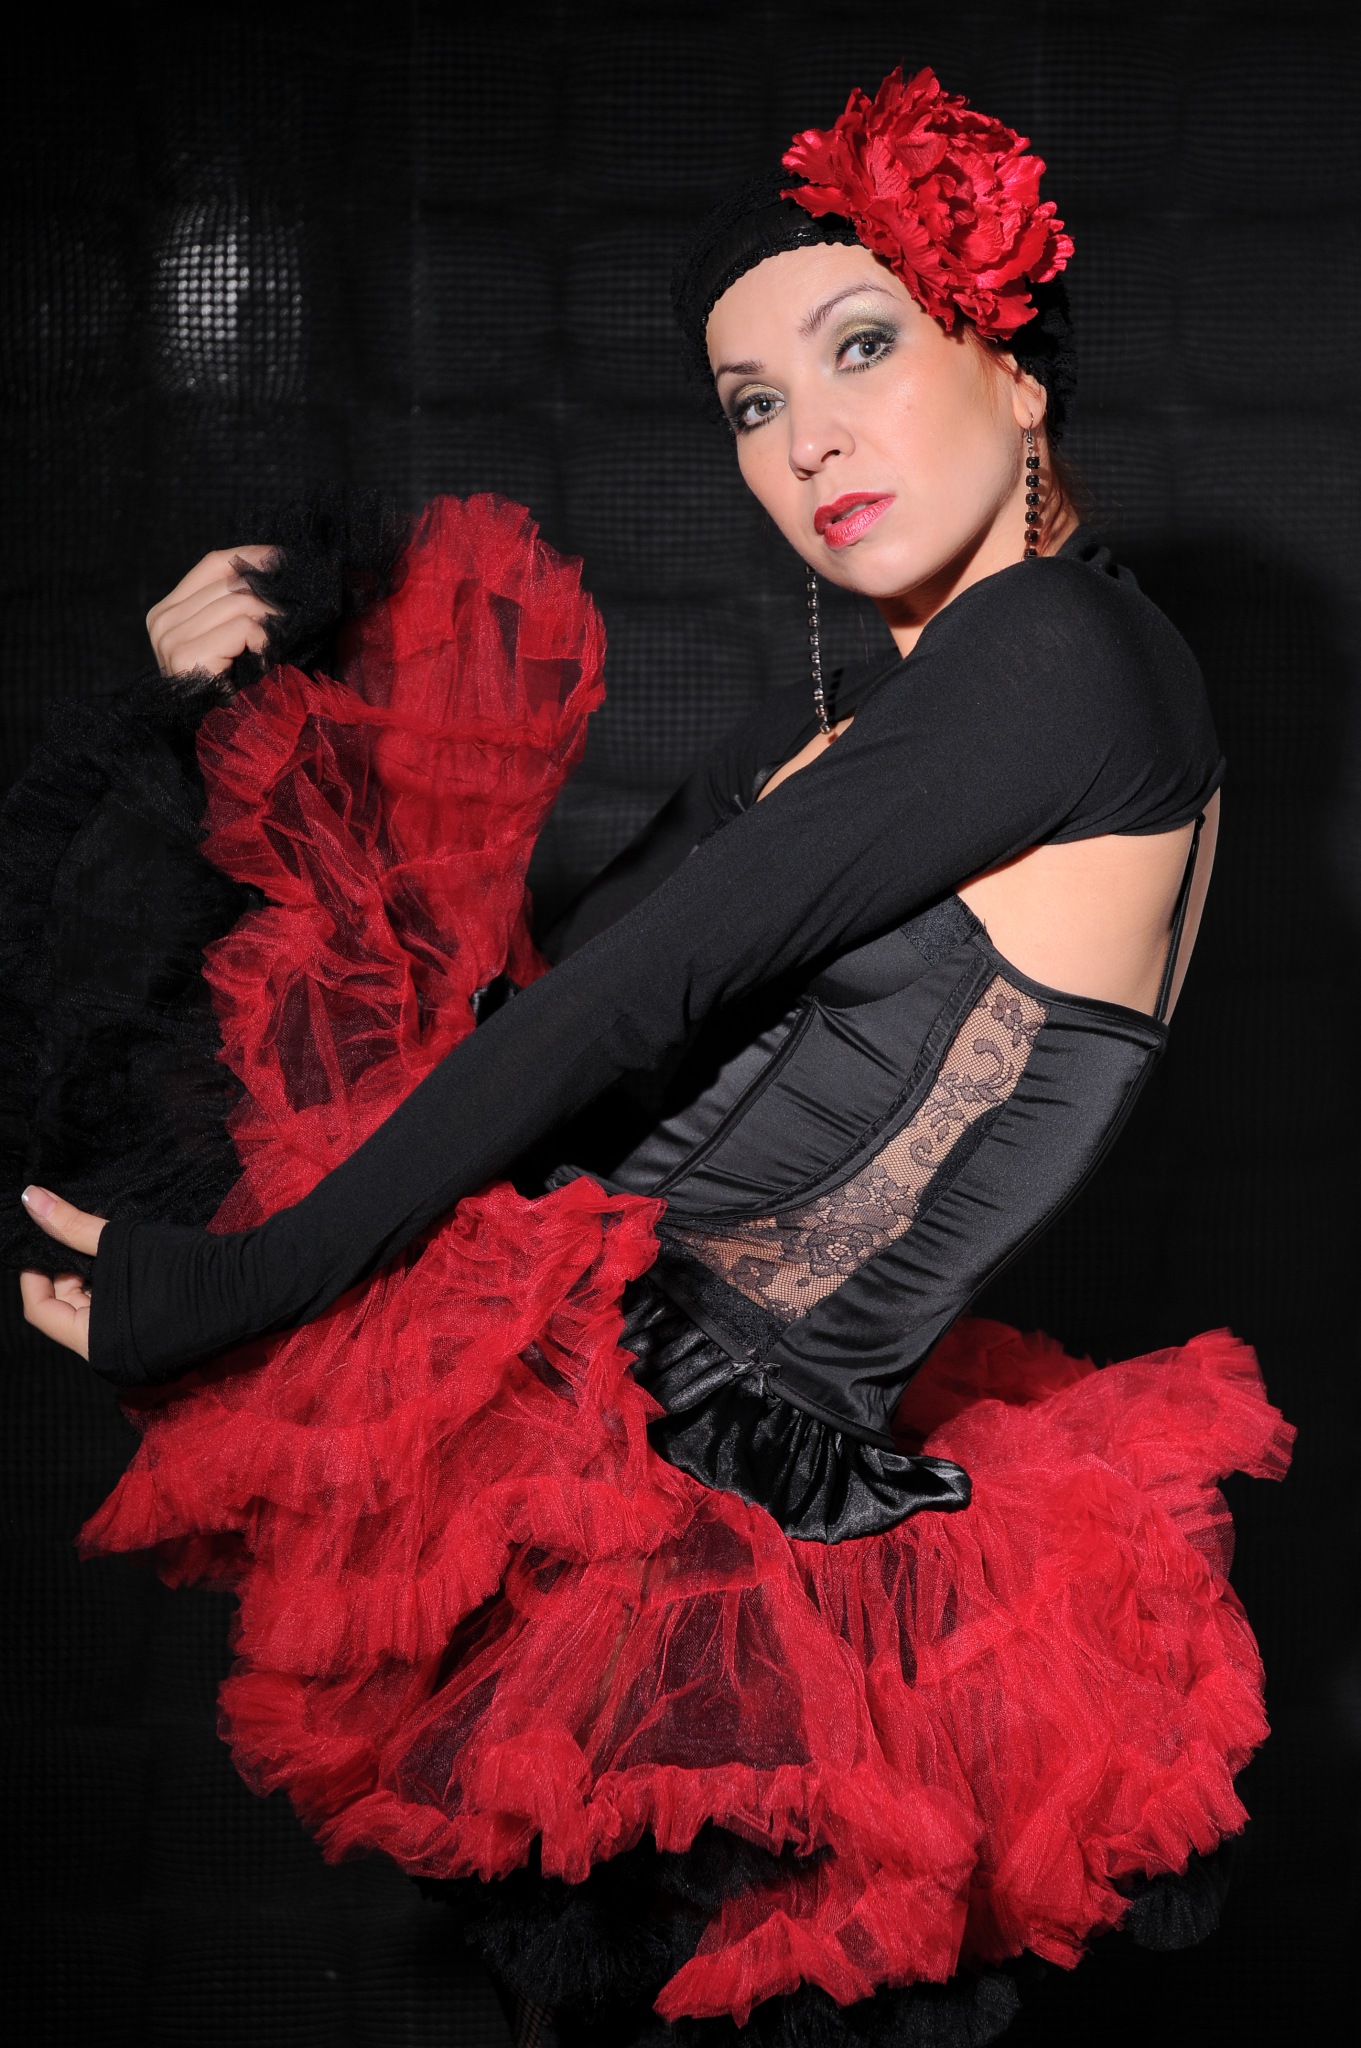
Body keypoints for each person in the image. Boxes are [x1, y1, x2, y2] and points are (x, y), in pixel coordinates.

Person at [6, 68, 1290, 2048]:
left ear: (1018, 373)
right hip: (618, 1457)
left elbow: (631, 1007)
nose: (805, 440)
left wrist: (249, 1287)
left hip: (723, 1525)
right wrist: (260, 712)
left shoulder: (1063, 657)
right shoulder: (870, 719)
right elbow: (543, 1007)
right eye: (750, 404)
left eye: (859, 348)